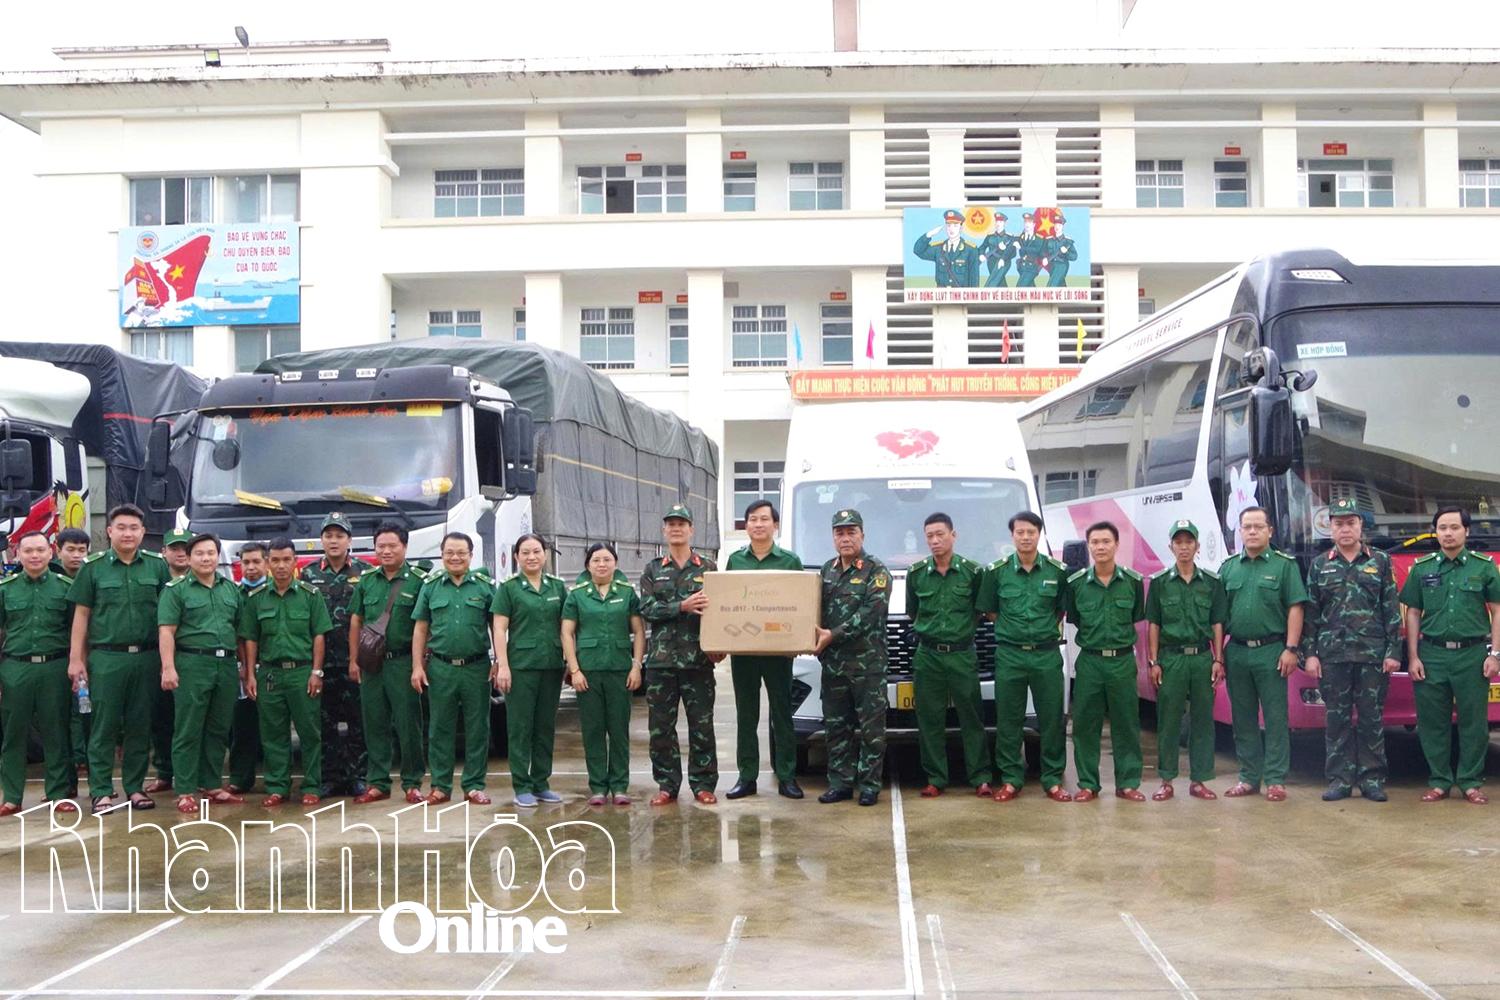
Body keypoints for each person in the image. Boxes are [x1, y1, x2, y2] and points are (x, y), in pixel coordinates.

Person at [67, 504, 170, 813]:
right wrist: (76, 659)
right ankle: (101, 791)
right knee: (103, 726)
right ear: (110, 531)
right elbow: (81, 615)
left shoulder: (157, 567)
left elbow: (168, 616)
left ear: (142, 533)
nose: (128, 533)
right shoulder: (93, 567)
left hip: (146, 658)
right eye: (121, 527)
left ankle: (135, 788)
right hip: (106, 658)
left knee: (140, 725)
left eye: (134, 528)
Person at [1400, 505, 1500, 804]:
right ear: (1436, 532)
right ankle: (1439, 781)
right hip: (1432, 655)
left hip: (1472, 655)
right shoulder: (1422, 567)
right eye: (1442, 528)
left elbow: (1497, 611)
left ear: (1467, 531)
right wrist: (1414, 656)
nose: (1447, 533)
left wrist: (1495, 654)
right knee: (1432, 723)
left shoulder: (1484, 567)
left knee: (1474, 722)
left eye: (1454, 527)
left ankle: (1470, 781)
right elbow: (1413, 613)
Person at [1303, 498, 1400, 802]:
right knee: (1337, 720)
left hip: (1372, 655)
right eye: (1338, 523)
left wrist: (1393, 651)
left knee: (1372, 719)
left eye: (1350, 523)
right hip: (1332, 656)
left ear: (1361, 526)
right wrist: (1311, 654)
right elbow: (1311, 614)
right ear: (1330, 527)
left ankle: (1372, 779)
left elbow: (1391, 610)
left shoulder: (1381, 562)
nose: (1345, 529)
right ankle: (1339, 779)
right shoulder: (1320, 565)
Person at [976, 511, 1072, 802]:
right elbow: (990, 611)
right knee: (1009, 720)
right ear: (1012, 535)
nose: (1026, 537)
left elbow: (1061, 610)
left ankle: (1052, 779)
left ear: (1039, 534)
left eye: (1031, 532)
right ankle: (1010, 779)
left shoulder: (1057, 571)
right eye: (1020, 532)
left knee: (1052, 719)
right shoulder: (997, 571)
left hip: (1045, 655)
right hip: (1010, 656)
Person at [1219, 506, 1308, 802]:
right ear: (1240, 531)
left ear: (1270, 530)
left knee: (1275, 718)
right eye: (1247, 527)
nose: (1253, 531)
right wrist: (1218, 656)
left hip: (1272, 651)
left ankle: (1275, 779)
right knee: (1242, 718)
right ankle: (1248, 777)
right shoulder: (1228, 568)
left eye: (1259, 526)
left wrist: (1291, 649)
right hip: (1237, 652)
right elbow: (1218, 617)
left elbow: (1296, 606)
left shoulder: (1284, 566)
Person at [240, 538, 332, 807]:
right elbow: (250, 639)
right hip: (270, 675)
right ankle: (278, 786)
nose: (281, 566)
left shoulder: (309, 595)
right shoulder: (257, 599)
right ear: (268, 563)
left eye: (286, 560)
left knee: (309, 732)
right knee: (273, 734)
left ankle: (312, 785)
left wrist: (317, 671)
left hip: (302, 673)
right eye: (275, 560)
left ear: (295, 562)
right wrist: (251, 675)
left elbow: (319, 636)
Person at [640, 504, 721, 807]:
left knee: (702, 726)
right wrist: (681, 607)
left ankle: (703, 784)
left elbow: (720, 610)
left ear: (691, 530)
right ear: (664, 530)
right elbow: (646, 609)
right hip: (661, 663)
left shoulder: (708, 568)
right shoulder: (653, 569)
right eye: (671, 524)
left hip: (698, 661)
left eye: (681, 524)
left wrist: (720, 644)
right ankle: (667, 784)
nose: (676, 529)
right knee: (661, 728)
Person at [158, 533, 246, 814]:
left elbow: (240, 633)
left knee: (219, 728)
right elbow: (167, 631)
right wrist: (168, 667)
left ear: (217, 556)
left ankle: (211, 784)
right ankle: (185, 789)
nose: (206, 558)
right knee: (188, 729)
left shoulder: (230, 589)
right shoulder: (176, 590)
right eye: (200, 554)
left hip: (226, 666)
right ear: (190, 557)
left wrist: (245, 667)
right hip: (192, 664)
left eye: (211, 553)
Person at [905, 513, 991, 798]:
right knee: (929, 720)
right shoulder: (917, 573)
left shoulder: (972, 572)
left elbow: (982, 610)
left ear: (953, 535)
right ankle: (935, 778)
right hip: (928, 655)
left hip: (961, 654)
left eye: (940, 534)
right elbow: (913, 611)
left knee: (971, 717)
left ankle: (980, 777)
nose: (935, 540)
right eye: (929, 535)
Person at [723, 500, 804, 800]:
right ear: (746, 526)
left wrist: (797, 641)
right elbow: (727, 605)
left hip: (778, 652)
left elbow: (799, 604)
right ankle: (747, 777)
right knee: (746, 714)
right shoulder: (735, 561)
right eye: (753, 519)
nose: (758, 524)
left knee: (782, 714)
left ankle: (787, 777)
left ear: (775, 525)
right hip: (743, 651)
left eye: (764, 519)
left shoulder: (789, 561)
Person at [813, 508, 891, 807]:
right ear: (833, 537)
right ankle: (840, 784)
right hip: (833, 666)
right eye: (839, 533)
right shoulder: (826, 571)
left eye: (851, 532)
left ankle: (869, 785)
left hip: (867, 666)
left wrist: (832, 634)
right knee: (836, 728)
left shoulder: (876, 570)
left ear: (862, 535)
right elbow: (813, 610)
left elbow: (870, 614)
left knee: (872, 729)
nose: (845, 538)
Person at [411, 532, 495, 806]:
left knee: (477, 727)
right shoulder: (432, 586)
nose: (455, 558)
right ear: (442, 555)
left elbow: (498, 625)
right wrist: (417, 667)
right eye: (449, 553)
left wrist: (499, 662)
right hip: (441, 667)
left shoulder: (484, 587)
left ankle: (473, 785)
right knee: (439, 728)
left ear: (471, 556)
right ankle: (440, 786)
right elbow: (421, 627)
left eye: (461, 553)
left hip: (476, 666)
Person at [1144, 520, 1226, 801]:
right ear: (1171, 547)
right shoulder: (1159, 584)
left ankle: (1200, 780)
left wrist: (1218, 659)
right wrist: (1153, 662)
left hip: (1202, 658)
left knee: (1203, 720)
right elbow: (1153, 624)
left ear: (1197, 546)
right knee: (1168, 720)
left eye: (1189, 542)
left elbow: (1217, 623)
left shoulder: (1211, 583)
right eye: (1178, 542)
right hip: (1172, 659)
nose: (1184, 547)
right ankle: (1166, 780)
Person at [1065, 522, 1146, 802]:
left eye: (1106, 541)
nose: (1100, 547)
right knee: (1086, 725)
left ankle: (1128, 783)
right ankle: (1088, 783)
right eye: (1095, 542)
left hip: (1122, 662)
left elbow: (1137, 613)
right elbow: (1074, 618)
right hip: (1090, 662)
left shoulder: (1133, 582)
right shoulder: (1076, 585)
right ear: (1089, 546)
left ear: (1116, 545)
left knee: (1127, 723)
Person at [349, 522, 428, 805]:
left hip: (403, 662)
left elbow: (425, 625)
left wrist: (421, 663)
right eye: (380, 546)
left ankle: (412, 783)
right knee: (374, 723)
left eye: (392, 545)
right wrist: (353, 660)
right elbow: (356, 621)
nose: (386, 551)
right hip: (371, 664)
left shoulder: (419, 581)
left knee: (409, 725)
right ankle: (378, 782)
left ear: (404, 547)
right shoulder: (367, 581)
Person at [0, 531, 78, 815]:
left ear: (51, 552)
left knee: (55, 730)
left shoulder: (66, 587)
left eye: (40, 550)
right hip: (15, 668)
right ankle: (11, 796)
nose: (34, 556)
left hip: (54, 667)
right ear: (17, 554)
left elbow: (77, 632)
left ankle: (58, 793)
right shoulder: (5, 589)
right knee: (13, 733)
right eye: (28, 550)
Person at [562, 542, 645, 806]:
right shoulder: (577, 595)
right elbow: (566, 632)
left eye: (607, 559)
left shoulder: (627, 593)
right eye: (596, 560)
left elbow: (639, 631)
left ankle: (620, 786)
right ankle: (598, 786)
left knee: (619, 730)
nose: (601, 564)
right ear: (588, 565)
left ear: (615, 563)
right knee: (593, 730)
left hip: (620, 671)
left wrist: (636, 665)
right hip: (589, 672)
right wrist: (574, 669)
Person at [491, 533, 568, 808]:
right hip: (521, 667)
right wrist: (503, 665)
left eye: (536, 551)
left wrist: (571, 661)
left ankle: (541, 783)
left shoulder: (557, 587)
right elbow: (499, 628)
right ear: (516, 557)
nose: (531, 557)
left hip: (551, 665)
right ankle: (521, 785)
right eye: (525, 552)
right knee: (520, 727)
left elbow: (566, 628)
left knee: (545, 726)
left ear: (545, 554)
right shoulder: (509, 588)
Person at [300, 513, 367, 798]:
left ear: (349, 540)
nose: (334, 541)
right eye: (329, 535)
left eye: (340, 536)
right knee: (323, 725)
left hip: (353, 661)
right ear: (321, 540)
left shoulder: (365, 573)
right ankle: (328, 777)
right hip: (321, 663)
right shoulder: (308, 574)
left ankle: (357, 776)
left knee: (357, 723)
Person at [145, 527, 193, 795]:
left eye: (185, 548)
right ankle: (164, 772)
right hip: (158, 656)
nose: (180, 553)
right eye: (174, 548)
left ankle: (191, 774)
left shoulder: (203, 578)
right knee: (161, 717)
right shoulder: (156, 581)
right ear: (164, 552)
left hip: (191, 658)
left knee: (190, 720)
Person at [225, 541, 268, 794]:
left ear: (266, 563)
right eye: (246, 563)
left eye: (256, 562)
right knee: (241, 725)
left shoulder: (277, 592)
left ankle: (278, 779)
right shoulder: (233, 594)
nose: (251, 568)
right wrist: (243, 667)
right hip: (242, 670)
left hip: (273, 667)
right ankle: (240, 778)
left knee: (275, 728)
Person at [54, 528, 90, 797]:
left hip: (91, 659)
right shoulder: (53, 581)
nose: (76, 556)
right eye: (71, 550)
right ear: (58, 550)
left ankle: (87, 763)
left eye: (81, 550)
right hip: (57, 661)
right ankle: (63, 784)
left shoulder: (94, 576)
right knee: (60, 721)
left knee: (87, 714)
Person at [912, 209, 981, 287]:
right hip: (941, 296)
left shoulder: (970, 249)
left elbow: (974, 278)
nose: (951, 229)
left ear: (961, 228)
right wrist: (929, 235)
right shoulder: (938, 248)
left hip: (961, 296)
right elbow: (918, 251)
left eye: (955, 225)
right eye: (948, 225)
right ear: (945, 228)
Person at [978, 212, 1017, 289]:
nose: (998, 224)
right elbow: (982, 247)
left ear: (1005, 223)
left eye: (1000, 221)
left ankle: (985, 292)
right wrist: (982, 254)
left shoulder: (1010, 237)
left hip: (1004, 262)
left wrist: (1004, 252)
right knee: (999, 281)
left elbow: (1013, 254)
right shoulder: (990, 236)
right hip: (991, 262)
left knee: (993, 280)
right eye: (996, 221)